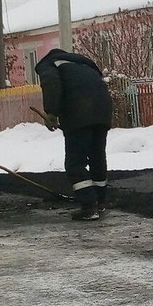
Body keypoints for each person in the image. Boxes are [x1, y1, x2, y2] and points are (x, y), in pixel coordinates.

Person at [34, 48, 113, 221]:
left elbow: (51, 83)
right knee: (97, 157)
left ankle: (88, 206)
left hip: (79, 110)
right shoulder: (84, 64)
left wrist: (52, 113)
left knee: (75, 162)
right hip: (103, 110)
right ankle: (99, 202)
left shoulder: (48, 63)